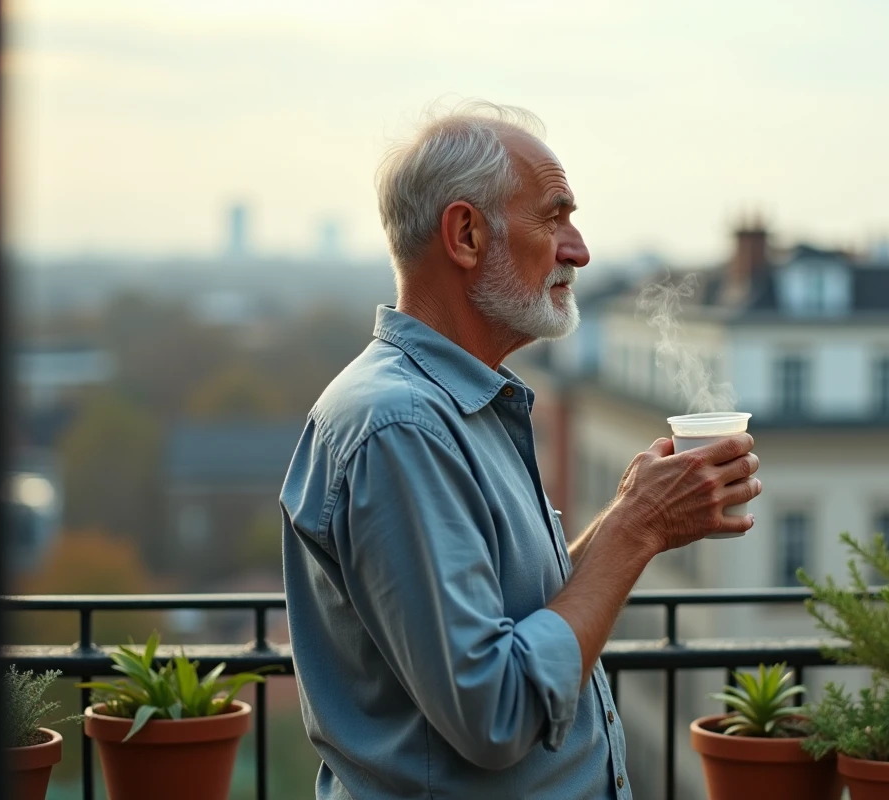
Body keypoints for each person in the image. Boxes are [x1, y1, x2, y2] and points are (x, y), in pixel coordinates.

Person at [280, 101, 761, 800]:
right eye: (555, 216)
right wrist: (639, 529)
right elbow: (497, 712)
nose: (579, 248)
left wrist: (630, 511)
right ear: (466, 234)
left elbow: (511, 618)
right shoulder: (401, 427)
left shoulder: (457, 406)